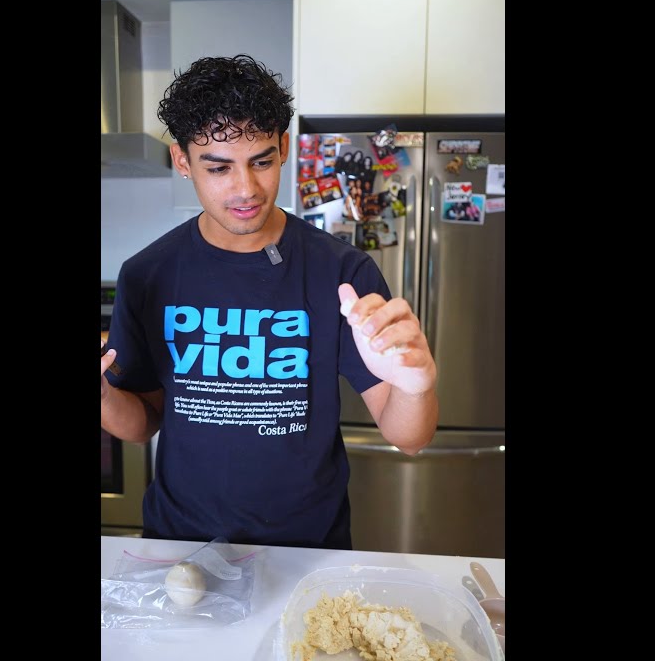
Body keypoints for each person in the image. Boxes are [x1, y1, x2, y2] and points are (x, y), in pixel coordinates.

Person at [99, 54, 439, 550]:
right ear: (183, 162)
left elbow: (410, 438)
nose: (246, 189)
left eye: (260, 161)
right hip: (180, 546)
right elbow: (142, 423)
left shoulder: (341, 272)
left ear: (282, 148)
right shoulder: (148, 275)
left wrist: (415, 386)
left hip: (306, 551)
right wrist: (103, 398)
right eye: (219, 168)